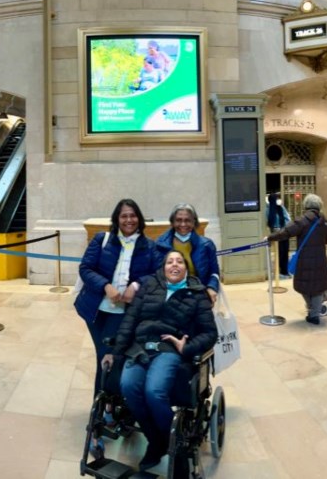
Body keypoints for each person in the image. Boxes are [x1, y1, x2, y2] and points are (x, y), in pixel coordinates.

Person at [101, 250, 217, 472]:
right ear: (163, 267)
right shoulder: (149, 287)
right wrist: (115, 353)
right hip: (139, 347)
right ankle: (157, 440)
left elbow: (210, 333)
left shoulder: (197, 294)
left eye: (179, 261)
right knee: (128, 387)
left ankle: (174, 445)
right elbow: (130, 321)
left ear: (186, 268)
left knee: (154, 392)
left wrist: (187, 346)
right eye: (170, 262)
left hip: (169, 349)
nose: (174, 265)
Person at [75, 199, 160, 397]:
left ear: (139, 218)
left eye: (132, 215)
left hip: (121, 313)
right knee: (105, 355)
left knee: (108, 355)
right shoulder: (101, 240)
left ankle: (104, 406)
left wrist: (136, 285)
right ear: (116, 219)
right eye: (124, 216)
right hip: (95, 310)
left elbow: (158, 275)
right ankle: (106, 406)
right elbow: (85, 268)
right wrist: (106, 286)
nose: (128, 220)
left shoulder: (149, 247)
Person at [266, 194, 327, 325]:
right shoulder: (323, 221)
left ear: (306, 205)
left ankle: (312, 311)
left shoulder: (302, 220)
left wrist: (270, 237)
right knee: (318, 287)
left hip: (304, 260)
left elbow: (286, 232)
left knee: (304, 285)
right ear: (319, 206)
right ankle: (314, 314)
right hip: (320, 260)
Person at [154, 203, 221, 304]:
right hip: (169, 296)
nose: (183, 224)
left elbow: (214, 272)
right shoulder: (160, 244)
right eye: (179, 220)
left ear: (194, 222)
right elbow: (155, 273)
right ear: (172, 222)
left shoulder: (207, 245)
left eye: (187, 220)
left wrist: (212, 287)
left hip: (198, 295)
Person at [265, 193, 292, 277]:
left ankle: (284, 270)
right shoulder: (267, 210)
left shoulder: (280, 208)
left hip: (284, 233)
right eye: (276, 198)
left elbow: (288, 218)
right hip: (276, 235)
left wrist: (284, 228)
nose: (277, 200)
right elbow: (267, 223)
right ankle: (279, 271)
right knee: (279, 253)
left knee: (284, 252)